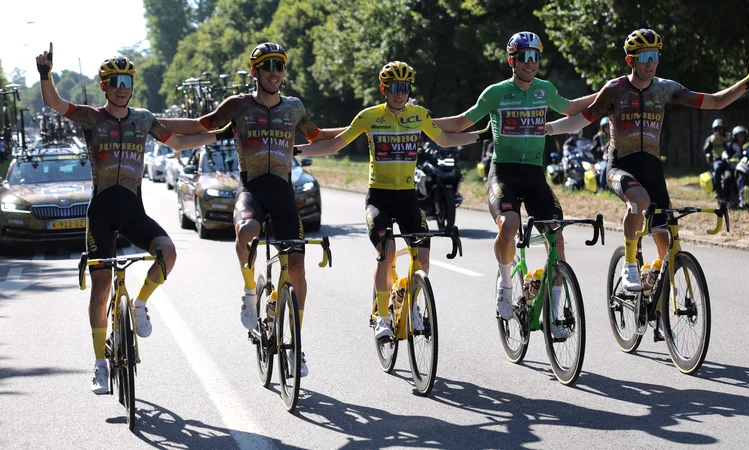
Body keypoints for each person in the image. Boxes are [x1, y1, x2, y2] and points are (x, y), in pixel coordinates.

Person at [36, 43, 220, 395]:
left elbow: (179, 143)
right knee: (101, 286)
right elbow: (55, 105)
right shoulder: (93, 117)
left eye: (127, 80)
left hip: (133, 211)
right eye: (115, 80)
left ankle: (139, 304)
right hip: (101, 212)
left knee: (168, 252)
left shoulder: (143, 119)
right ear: (104, 86)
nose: (122, 86)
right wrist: (46, 75)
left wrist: (222, 133)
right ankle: (100, 364)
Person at [159, 42, 344, 377]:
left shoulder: (294, 107)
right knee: (247, 232)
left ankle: (296, 344)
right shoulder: (238, 106)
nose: (275, 72)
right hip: (252, 191)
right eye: (268, 66)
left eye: (280, 66)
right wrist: (149, 121)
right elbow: (200, 125)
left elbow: (318, 137)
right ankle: (248, 293)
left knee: (298, 267)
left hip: (284, 194)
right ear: (255, 71)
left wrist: (360, 129)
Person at [545, 28, 749, 291]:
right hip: (620, 166)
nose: (651, 63)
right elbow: (581, 120)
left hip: (652, 169)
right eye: (645, 57)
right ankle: (629, 264)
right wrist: (548, 129)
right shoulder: (615, 90)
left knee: (666, 248)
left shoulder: (666, 89)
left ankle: (655, 289)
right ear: (631, 61)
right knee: (639, 201)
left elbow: (716, 102)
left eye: (655, 56)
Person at [296, 61, 484, 340]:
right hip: (379, 198)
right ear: (384, 89)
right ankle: (382, 315)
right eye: (394, 88)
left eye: (405, 88)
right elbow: (336, 144)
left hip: (408, 198)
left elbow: (445, 139)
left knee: (422, 254)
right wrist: (296, 150)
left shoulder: (419, 115)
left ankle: (413, 304)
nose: (399, 93)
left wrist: (484, 134)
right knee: (387, 248)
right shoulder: (368, 116)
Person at [432, 31, 596, 322]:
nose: (530, 63)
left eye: (535, 57)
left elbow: (571, 108)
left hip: (534, 174)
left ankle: (556, 315)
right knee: (509, 225)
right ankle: (506, 286)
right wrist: (421, 121)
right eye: (524, 57)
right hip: (504, 173)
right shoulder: (495, 93)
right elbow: (460, 122)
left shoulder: (544, 90)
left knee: (555, 235)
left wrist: (609, 92)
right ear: (512, 60)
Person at [703, 118, 735, 201]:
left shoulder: (729, 136)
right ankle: (718, 192)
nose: (719, 131)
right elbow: (706, 150)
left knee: (729, 176)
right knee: (717, 169)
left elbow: (732, 149)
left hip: (729, 160)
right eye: (717, 129)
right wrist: (710, 143)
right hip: (718, 160)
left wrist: (723, 143)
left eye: (720, 128)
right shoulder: (711, 138)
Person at [592, 117, 611, 190]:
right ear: (603, 128)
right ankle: (601, 188)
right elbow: (593, 151)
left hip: (613, 158)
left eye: (609, 126)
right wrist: (600, 149)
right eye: (606, 127)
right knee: (605, 167)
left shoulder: (615, 136)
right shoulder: (598, 137)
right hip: (602, 159)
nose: (608, 128)